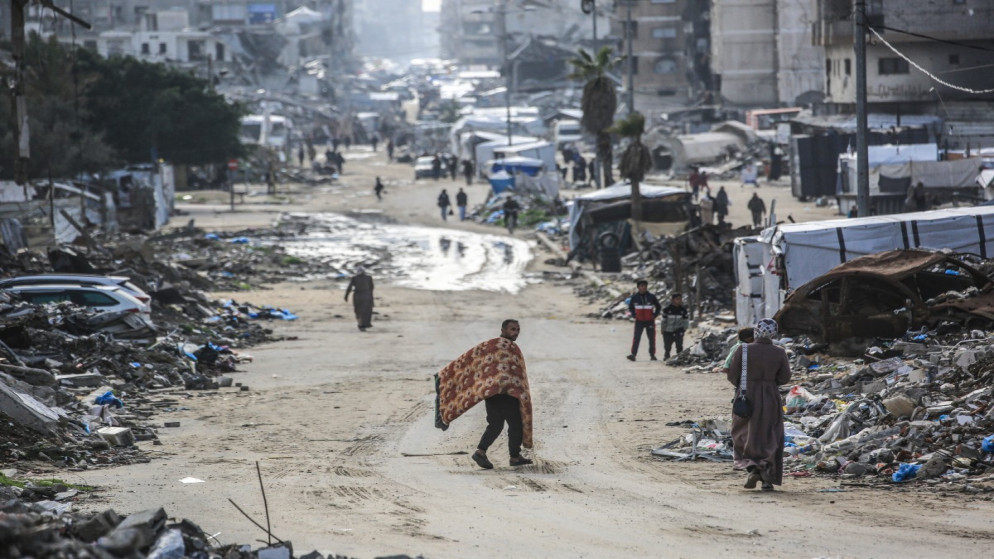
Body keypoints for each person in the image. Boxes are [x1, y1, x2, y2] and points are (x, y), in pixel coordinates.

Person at [434, 319, 534, 469]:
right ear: (503, 329)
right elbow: (471, 361)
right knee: (516, 425)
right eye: (512, 329)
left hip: (491, 393)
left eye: (518, 330)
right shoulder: (504, 346)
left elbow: (470, 359)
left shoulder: (491, 345)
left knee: (495, 425)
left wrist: (443, 375)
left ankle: (480, 452)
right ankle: (514, 457)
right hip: (507, 394)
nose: (516, 333)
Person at [727, 318, 791, 491]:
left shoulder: (743, 349)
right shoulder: (779, 352)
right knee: (769, 434)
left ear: (756, 332)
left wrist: (744, 385)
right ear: (774, 334)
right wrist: (769, 382)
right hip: (771, 397)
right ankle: (766, 477)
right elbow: (785, 378)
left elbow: (732, 375)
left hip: (746, 395)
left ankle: (753, 468)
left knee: (743, 432)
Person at [626, 280, 662, 361]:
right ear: (638, 287)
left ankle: (652, 355)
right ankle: (633, 355)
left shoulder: (651, 297)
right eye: (642, 286)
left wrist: (654, 315)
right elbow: (631, 307)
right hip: (639, 321)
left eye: (645, 285)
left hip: (650, 321)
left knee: (651, 338)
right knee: (636, 338)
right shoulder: (634, 297)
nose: (644, 287)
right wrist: (634, 315)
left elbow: (658, 307)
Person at [344, 266, 374, 331]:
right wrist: (371, 298)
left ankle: (360, 324)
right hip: (366, 296)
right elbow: (371, 288)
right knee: (366, 311)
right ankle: (364, 324)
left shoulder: (354, 278)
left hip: (358, 296)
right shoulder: (368, 278)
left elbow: (349, 287)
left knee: (358, 311)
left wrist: (346, 295)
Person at [661, 293, 689, 360]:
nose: (679, 301)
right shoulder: (667, 309)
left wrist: (684, 329)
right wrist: (663, 329)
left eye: (680, 299)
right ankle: (667, 355)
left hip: (679, 330)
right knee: (667, 345)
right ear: (673, 300)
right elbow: (663, 321)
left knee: (679, 344)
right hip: (668, 330)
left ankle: (679, 357)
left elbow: (686, 321)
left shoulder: (683, 310)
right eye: (677, 299)